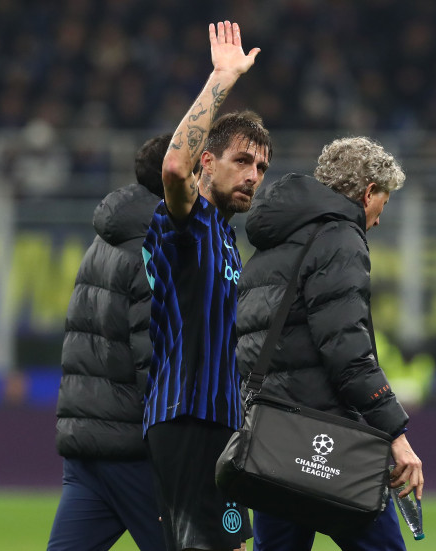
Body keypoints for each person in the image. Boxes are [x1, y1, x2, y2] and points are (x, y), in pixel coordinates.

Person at [235, 137, 424, 551]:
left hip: (271, 439)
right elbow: (347, 352)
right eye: (383, 203)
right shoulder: (340, 237)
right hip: (328, 439)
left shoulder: (272, 242)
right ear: (368, 192)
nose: (378, 219)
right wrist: (395, 434)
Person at [141, 21, 271, 551]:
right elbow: (174, 167)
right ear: (208, 163)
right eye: (242, 161)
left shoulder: (226, 239)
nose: (254, 175)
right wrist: (222, 79)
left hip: (221, 423)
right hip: (186, 417)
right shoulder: (187, 224)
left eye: (261, 166)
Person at [46, 133, 172, 551]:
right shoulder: (155, 250)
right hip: (134, 449)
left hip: (87, 442)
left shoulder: (103, 242)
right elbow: (153, 361)